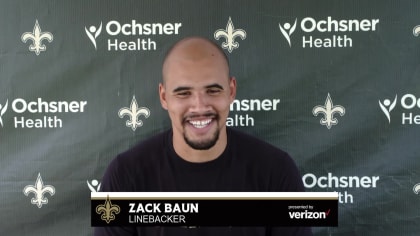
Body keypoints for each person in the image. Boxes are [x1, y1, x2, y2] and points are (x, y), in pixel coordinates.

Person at [94, 36, 312, 236]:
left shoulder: (276, 171)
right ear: (163, 97)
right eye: (183, 93)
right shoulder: (124, 176)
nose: (199, 106)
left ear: (231, 91)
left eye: (213, 90)